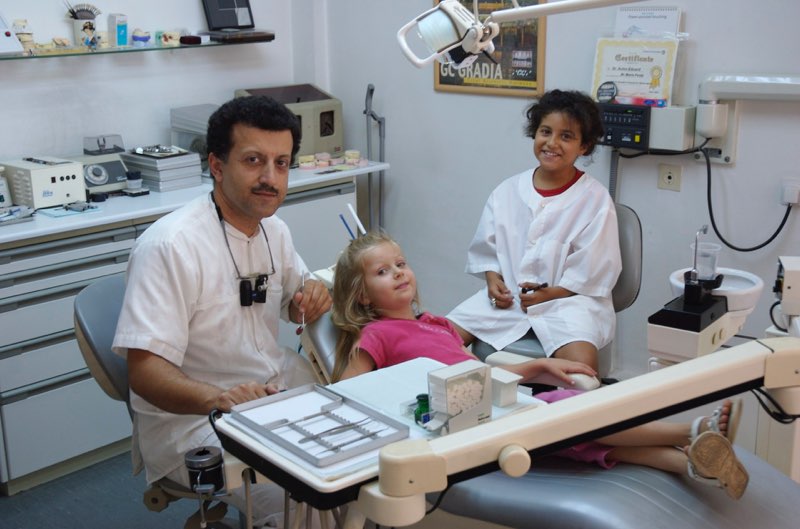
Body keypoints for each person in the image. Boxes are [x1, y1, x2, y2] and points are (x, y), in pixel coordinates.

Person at [330, 232, 749, 499]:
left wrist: (539, 366)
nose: (398, 273)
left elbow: (478, 374)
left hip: (493, 405)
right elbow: (345, 394)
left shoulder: (436, 324)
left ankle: (691, 463)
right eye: (382, 271)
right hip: (461, 428)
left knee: (585, 439)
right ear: (362, 296)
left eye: (401, 264)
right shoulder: (377, 335)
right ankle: (692, 430)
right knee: (573, 413)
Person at [112, 95, 332, 525]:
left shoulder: (274, 230)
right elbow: (145, 373)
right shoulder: (170, 247)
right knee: (308, 499)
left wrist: (310, 295)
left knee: (362, 463)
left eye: (281, 163)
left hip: (271, 393)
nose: (270, 178)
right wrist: (220, 399)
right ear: (216, 165)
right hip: (196, 419)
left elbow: (295, 299)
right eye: (253, 161)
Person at [447, 89, 621, 371]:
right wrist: (492, 281)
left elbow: (592, 270)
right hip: (507, 301)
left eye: (566, 136)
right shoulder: (507, 191)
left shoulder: (595, 200)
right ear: (534, 133)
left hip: (570, 303)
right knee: (436, 340)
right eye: (545, 131)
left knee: (583, 370)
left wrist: (550, 295)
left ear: (584, 146)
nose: (552, 143)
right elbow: (488, 251)